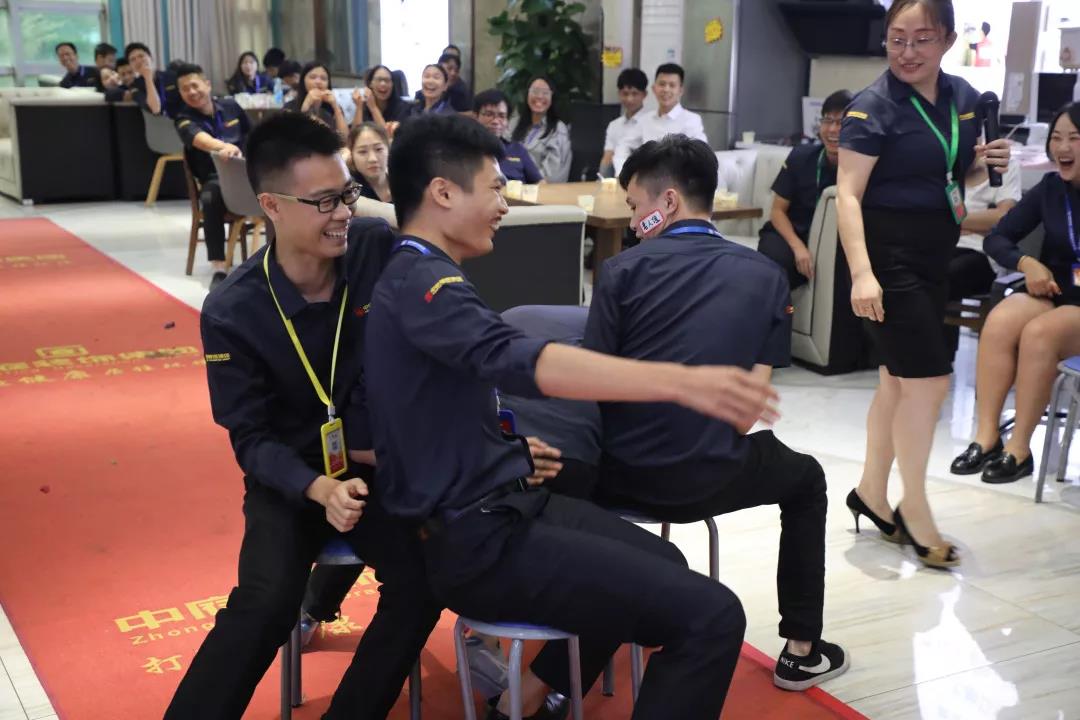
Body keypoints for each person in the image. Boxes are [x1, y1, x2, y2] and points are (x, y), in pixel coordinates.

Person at [365, 113, 778, 720]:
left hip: (500, 504)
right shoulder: (426, 285)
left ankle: (535, 699)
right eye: (495, 189)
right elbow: (519, 360)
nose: (503, 204)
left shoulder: (426, 272)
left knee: (666, 563)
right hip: (477, 539)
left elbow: (443, 405)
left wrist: (510, 451)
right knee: (713, 616)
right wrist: (684, 381)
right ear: (443, 193)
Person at [163, 111, 442, 720]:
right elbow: (250, 438)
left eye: (348, 194)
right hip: (289, 478)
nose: (343, 213)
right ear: (272, 206)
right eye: (323, 202)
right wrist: (316, 487)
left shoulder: (371, 249)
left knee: (424, 580)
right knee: (265, 603)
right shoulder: (234, 310)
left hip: (371, 468)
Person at [586, 133, 849, 692]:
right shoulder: (766, 275)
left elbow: (593, 387)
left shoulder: (619, 271)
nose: (632, 222)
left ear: (668, 202)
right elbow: (748, 410)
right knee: (806, 480)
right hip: (712, 476)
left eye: (635, 207)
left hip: (617, 478)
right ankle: (801, 650)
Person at [836, 0, 1010, 568]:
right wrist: (862, 273)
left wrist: (984, 162)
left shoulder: (962, 97)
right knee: (931, 382)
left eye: (922, 39)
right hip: (887, 259)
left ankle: (871, 492)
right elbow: (848, 197)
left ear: (948, 40)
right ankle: (914, 506)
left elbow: (951, 176)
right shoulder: (872, 106)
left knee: (897, 381)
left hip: (936, 255)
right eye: (897, 39)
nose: (908, 52)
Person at [950, 102, 1080, 483]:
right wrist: (1026, 264)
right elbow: (998, 238)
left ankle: (1019, 449)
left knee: (1040, 334)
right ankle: (987, 437)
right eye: (1057, 138)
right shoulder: (1051, 189)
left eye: (1074, 138)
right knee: (1001, 321)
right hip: (1054, 291)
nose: (1063, 148)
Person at [757, 90, 853, 289]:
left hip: (832, 243)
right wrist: (798, 247)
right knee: (772, 266)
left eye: (841, 123)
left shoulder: (862, 166)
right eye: (828, 120)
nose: (832, 129)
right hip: (790, 236)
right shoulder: (801, 157)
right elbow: (777, 211)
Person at [172, 63, 252, 288]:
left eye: (195, 85)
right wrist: (222, 147)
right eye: (185, 89)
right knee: (209, 198)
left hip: (248, 173)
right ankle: (219, 267)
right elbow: (198, 139)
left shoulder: (231, 106)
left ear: (207, 85)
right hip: (215, 178)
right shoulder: (183, 118)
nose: (192, 92)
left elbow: (253, 134)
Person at [943, 147, 1022, 353]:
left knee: (939, 278)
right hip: (944, 246)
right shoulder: (945, 167)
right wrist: (977, 222)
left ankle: (935, 355)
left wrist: (951, 222)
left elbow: (1003, 218)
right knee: (917, 273)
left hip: (983, 255)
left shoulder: (1003, 166)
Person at [613, 63, 707, 175]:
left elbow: (701, 156)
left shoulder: (691, 120)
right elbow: (623, 145)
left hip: (677, 181)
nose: (666, 89)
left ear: (681, 90)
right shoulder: (645, 120)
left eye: (672, 85)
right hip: (647, 180)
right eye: (662, 84)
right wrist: (622, 174)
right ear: (654, 88)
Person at [508, 76, 572, 183]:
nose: (539, 96)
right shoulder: (513, 123)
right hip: (508, 186)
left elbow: (553, 173)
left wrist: (525, 183)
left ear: (552, 97)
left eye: (545, 93)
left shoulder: (558, 130)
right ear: (527, 95)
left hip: (538, 188)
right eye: (535, 91)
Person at [474, 88, 542, 184]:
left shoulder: (517, 149)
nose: (495, 121)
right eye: (489, 115)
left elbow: (540, 183)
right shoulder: (465, 150)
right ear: (476, 117)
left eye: (501, 116)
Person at [599, 68, 648, 177]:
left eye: (635, 94)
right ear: (619, 94)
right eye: (625, 94)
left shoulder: (650, 123)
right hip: (617, 178)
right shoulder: (614, 125)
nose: (629, 99)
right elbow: (607, 157)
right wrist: (602, 179)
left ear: (644, 94)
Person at [284, 62, 349, 139]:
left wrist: (335, 107)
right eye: (313, 77)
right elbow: (291, 137)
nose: (318, 82)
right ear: (303, 81)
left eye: (323, 78)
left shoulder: (333, 108)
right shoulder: (289, 107)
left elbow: (344, 138)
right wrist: (306, 107)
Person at [126, 42, 183, 117]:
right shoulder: (134, 86)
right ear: (131, 66)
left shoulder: (172, 76)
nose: (138, 61)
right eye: (133, 59)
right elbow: (155, 109)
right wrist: (148, 77)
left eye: (141, 56)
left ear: (151, 57)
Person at [352, 64, 411, 136]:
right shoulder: (364, 106)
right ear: (370, 84)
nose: (383, 84)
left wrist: (373, 108)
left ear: (392, 84)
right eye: (379, 80)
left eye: (387, 80)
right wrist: (359, 107)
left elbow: (388, 138)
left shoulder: (404, 108)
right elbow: (354, 137)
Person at [349, 122, 392, 202]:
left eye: (378, 149)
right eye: (363, 152)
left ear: (388, 150)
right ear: (352, 155)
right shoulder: (349, 193)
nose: (372, 159)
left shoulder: (403, 181)